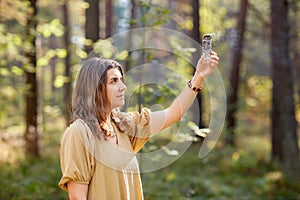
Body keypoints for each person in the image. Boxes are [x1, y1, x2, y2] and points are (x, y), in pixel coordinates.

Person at [58, 51, 219, 200]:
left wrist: (199, 76)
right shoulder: (79, 132)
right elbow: (78, 197)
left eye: (121, 80)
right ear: (95, 89)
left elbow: (172, 114)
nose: (123, 87)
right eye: (114, 81)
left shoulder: (123, 125)